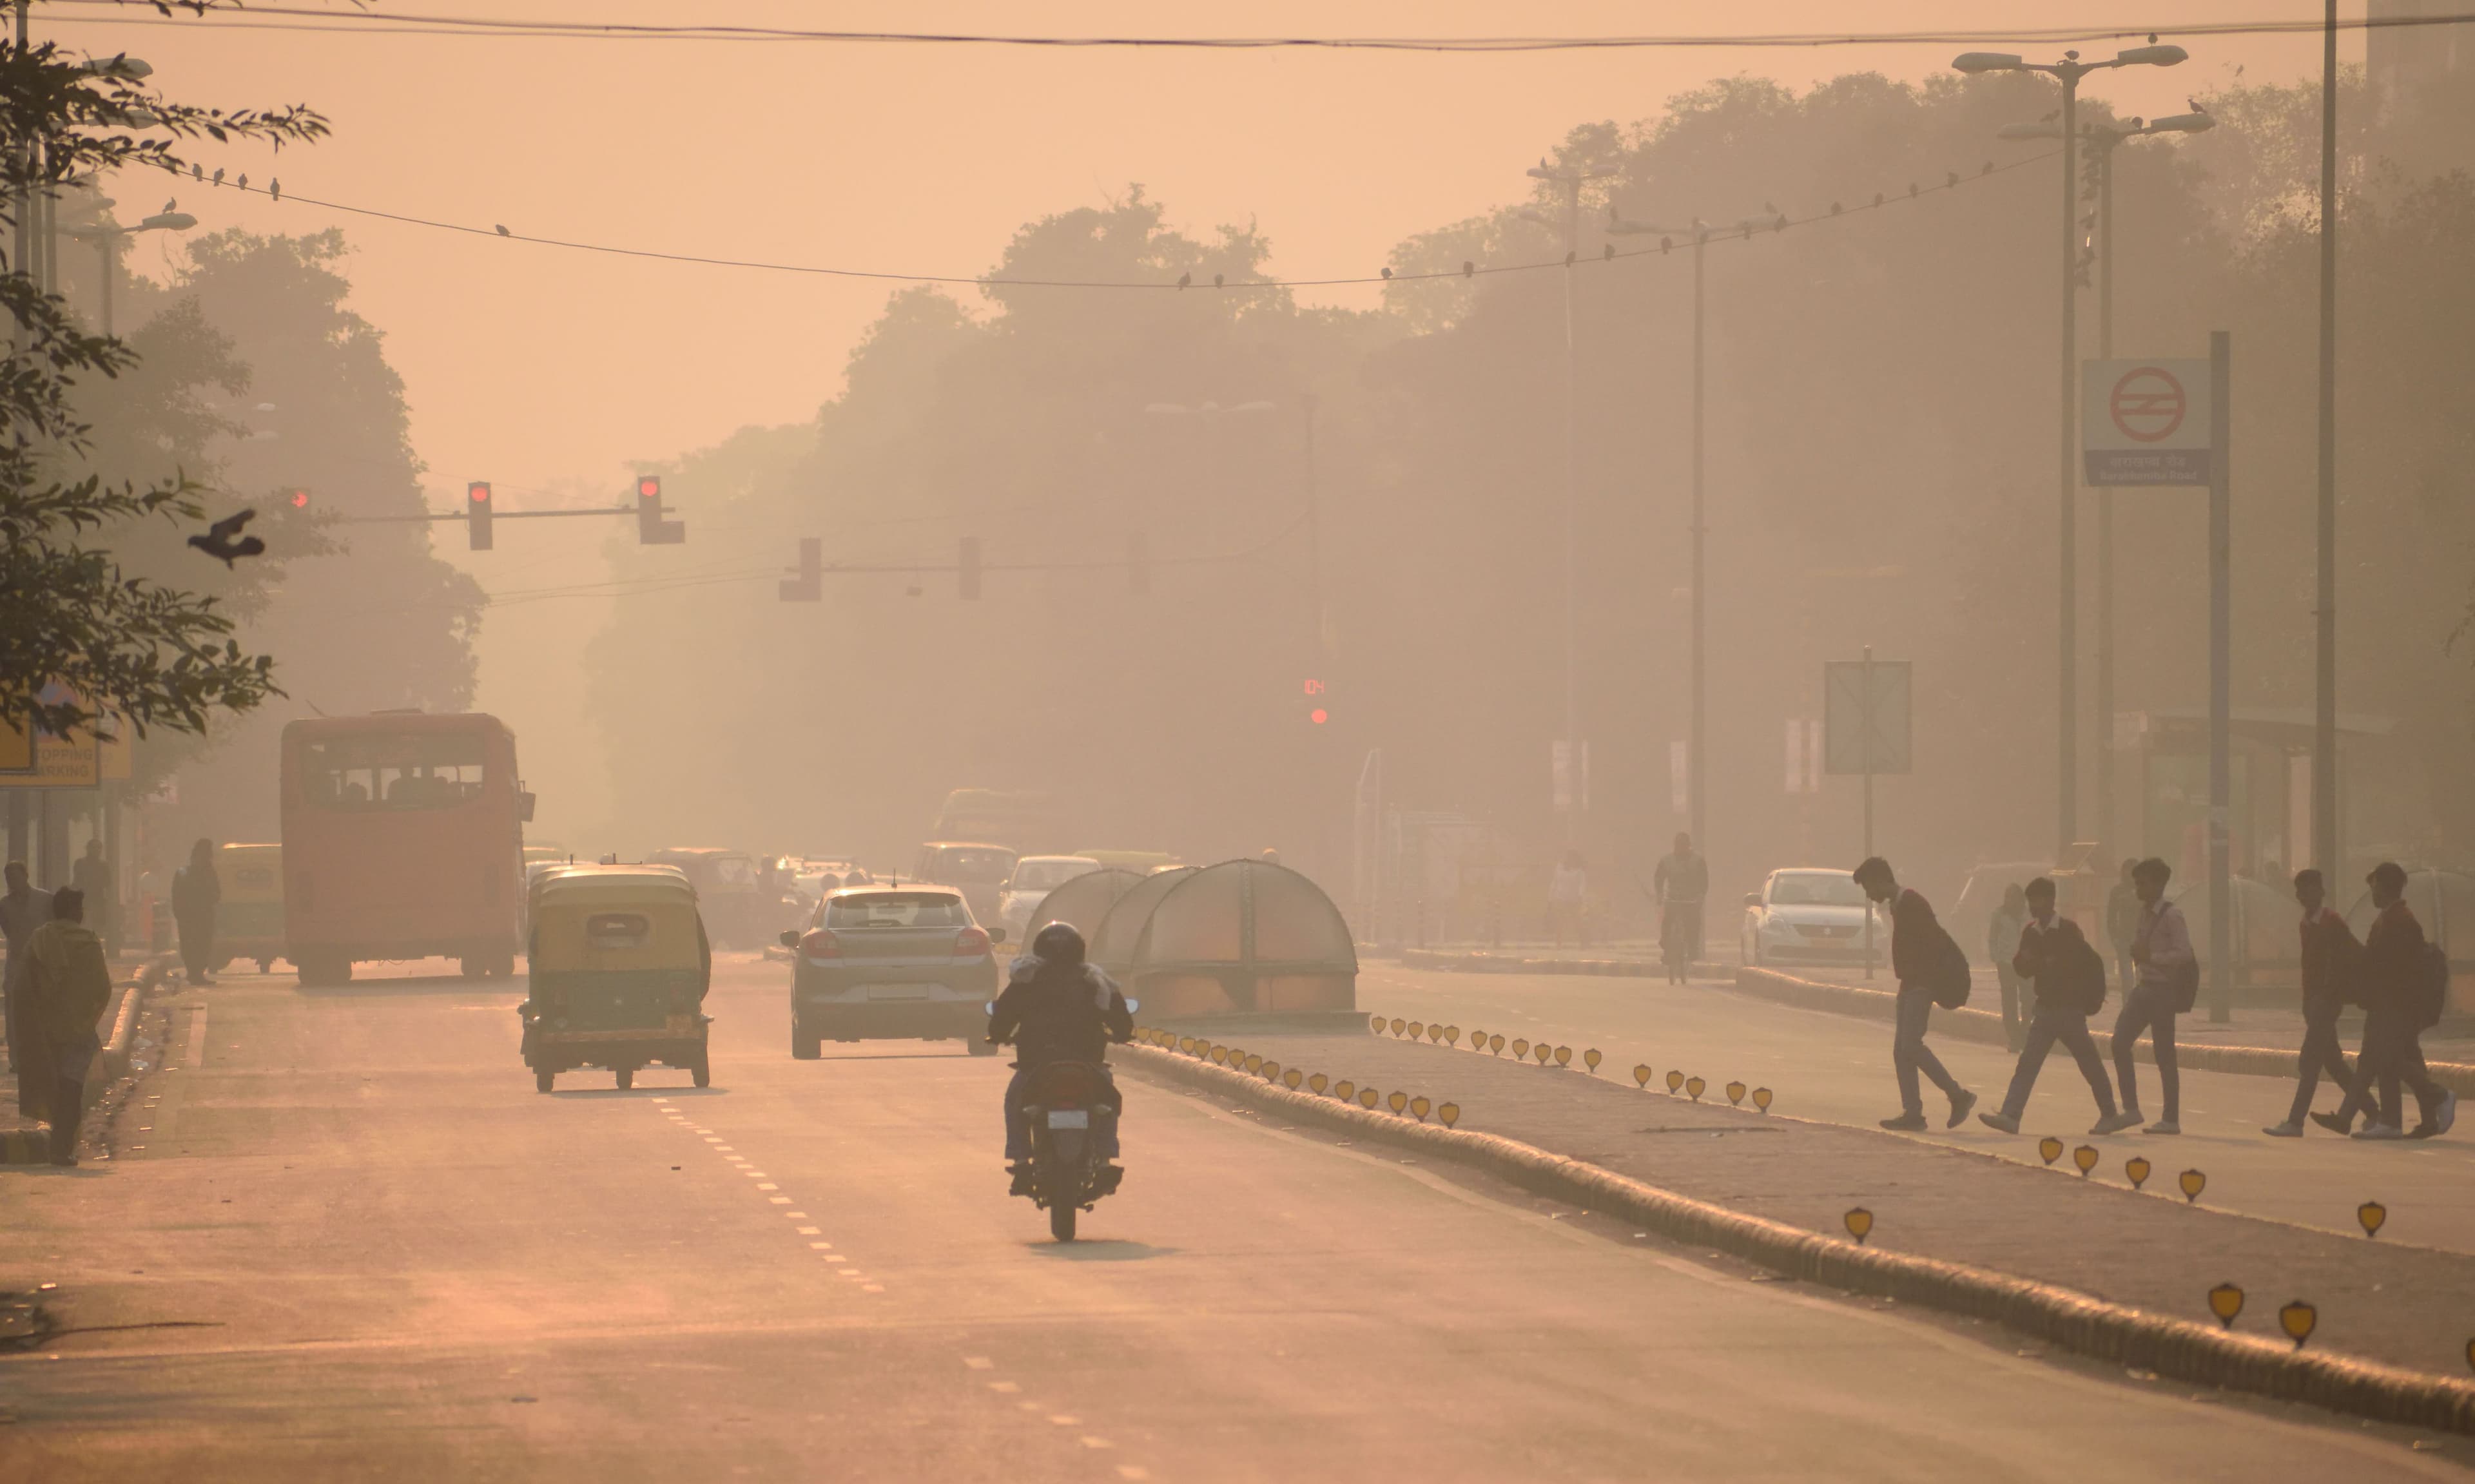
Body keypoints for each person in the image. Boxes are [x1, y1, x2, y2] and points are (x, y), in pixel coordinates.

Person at [986, 922, 1133, 1195]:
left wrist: (997, 1035)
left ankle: (1020, 1161)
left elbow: (1002, 1018)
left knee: (1015, 1101)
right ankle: (1104, 1160)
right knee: (1108, 1100)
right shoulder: (1095, 980)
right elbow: (1123, 1022)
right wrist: (1120, 1034)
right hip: (1087, 1062)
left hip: (1037, 1064)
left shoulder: (1026, 979)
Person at [1978, 878, 2133, 1135]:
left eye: (2037, 900)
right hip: (2046, 1009)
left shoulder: (2069, 930)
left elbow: (2070, 965)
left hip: (2070, 1010)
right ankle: (2011, 1115)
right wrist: (2037, 963)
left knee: (2089, 1064)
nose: (2033, 906)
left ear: (2050, 900)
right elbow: (2023, 967)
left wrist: (2041, 963)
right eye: (2031, 901)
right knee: (2028, 1064)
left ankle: (2109, 1114)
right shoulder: (2031, 931)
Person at [2327, 862, 2456, 1141]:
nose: (2372, 892)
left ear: (2385, 887)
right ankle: (2396, 1121)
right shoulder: (2391, 918)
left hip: (2393, 1003)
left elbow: (2395, 967)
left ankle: (2438, 1097)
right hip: (2388, 1002)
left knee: (2386, 1058)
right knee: (2395, 1058)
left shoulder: (2400, 920)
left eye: (2374, 887)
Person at [1853, 856, 1975, 1132]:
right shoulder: (1899, 905)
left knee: (1910, 1046)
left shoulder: (1912, 903)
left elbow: (1932, 945)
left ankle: (1958, 1096)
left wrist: (1924, 984)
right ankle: (1913, 1113)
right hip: (1910, 984)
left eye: (1869, 888)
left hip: (1921, 984)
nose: (1870, 896)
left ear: (1880, 880)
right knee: (1901, 1051)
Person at [2263, 868, 2363, 1137]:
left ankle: (2296, 1121)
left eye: (2310, 889)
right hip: (2312, 1001)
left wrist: (2332, 993)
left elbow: (2350, 956)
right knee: (2333, 1063)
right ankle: (2375, 1112)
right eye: (2301, 890)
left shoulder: (2333, 922)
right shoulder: (2306, 923)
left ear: (2321, 891)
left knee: (2310, 1062)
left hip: (2327, 1001)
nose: (2305, 895)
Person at [23, 887, 112, 1166]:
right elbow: (103, 988)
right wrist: (89, 1018)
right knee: (71, 1091)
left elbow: (23, 989)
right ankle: (61, 1148)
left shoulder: (38, 940)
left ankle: (57, 1146)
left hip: (43, 1030)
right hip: (77, 1030)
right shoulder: (88, 943)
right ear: (77, 912)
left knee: (51, 1086)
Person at [2113, 857, 2191, 1135]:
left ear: (2159, 884)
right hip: (2144, 987)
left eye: (2143, 883)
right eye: (2137, 883)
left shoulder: (2172, 915)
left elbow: (2184, 954)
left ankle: (2171, 1119)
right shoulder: (2143, 913)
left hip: (2162, 991)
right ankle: (2131, 1109)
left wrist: (2153, 957)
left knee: (2164, 1055)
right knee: (2119, 1042)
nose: (2138, 888)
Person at [2, 860, 55, 1100]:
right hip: (16, 961)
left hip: (41, 960)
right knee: (14, 1011)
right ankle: (17, 1059)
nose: (13, 882)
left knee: (43, 1010)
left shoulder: (45, 900)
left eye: (16, 876)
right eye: (8, 878)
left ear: (26, 875)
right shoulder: (3, 905)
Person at [1652, 834, 1707, 982]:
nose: (1681, 849)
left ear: (1689, 846)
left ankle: (1693, 950)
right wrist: (1659, 894)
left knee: (1693, 925)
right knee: (1667, 922)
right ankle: (1667, 948)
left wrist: (1701, 897)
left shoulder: (1698, 861)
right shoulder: (1667, 861)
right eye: (1678, 846)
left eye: (1684, 846)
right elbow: (1659, 878)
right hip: (1673, 899)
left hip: (1691, 900)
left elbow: (1704, 881)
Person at [171, 837, 220, 987]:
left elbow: (216, 893)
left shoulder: (208, 872)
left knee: (201, 945)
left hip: (200, 917)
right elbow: (177, 896)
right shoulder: (184, 873)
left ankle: (196, 973)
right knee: (193, 945)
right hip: (192, 917)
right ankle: (194, 973)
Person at [1987, 883, 2030, 1052]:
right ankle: (2015, 1038)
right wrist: (1996, 957)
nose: (2010, 900)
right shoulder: (1999, 915)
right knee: (2009, 1003)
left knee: (2028, 1002)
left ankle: (2024, 1036)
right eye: (2007, 897)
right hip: (2006, 964)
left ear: (2021, 899)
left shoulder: (2029, 915)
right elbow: (1992, 938)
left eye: (2013, 897)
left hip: (2027, 965)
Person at [2104, 857, 2140, 1001]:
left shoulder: (2143, 890)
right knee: (2127, 978)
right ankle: (2128, 1007)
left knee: (2142, 977)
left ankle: (2140, 1007)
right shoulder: (2117, 891)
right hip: (2124, 938)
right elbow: (2111, 917)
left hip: (2141, 939)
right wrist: (2115, 938)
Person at [70, 838, 115, 953]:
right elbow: (76, 881)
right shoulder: (80, 863)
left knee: (97, 927)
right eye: (93, 847)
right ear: (88, 849)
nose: (96, 850)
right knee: (84, 926)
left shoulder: (104, 865)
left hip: (97, 900)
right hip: (83, 900)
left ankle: (93, 949)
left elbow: (108, 882)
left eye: (98, 848)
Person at [1548, 850, 1589, 954]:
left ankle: (1583, 943)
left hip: (1574, 900)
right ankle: (1558, 944)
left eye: (1569, 857)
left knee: (1577, 922)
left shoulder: (1580, 872)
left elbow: (1582, 885)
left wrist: (1580, 897)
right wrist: (1551, 896)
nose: (1566, 859)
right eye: (1566, 857)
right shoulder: (1559, 869)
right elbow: (1555, 882)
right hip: (1560, 899)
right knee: (1559, 922)